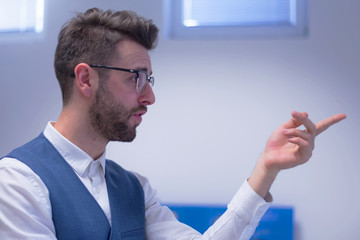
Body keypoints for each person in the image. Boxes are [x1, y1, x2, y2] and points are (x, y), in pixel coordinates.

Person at [0, 8, 346, 240]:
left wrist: (266, 169)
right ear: (86, 80)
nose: (150, 96)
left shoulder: (134, 188)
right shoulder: (17, 183)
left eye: (150, 79)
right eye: (136, 77)